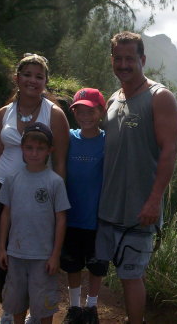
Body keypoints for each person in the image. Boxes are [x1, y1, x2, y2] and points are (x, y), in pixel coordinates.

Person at [95, 31, 177, 324]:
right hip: (108, 208)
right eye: (118, 58)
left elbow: (170, 151)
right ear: (112, 60)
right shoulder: (112, 99)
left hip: (139, 210)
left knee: (131, 277)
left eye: (129, 58)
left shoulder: (160, 97)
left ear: (142, 60)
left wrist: (154, 201)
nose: (123, 64)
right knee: (100, 269)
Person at [0, 53, 70, 324]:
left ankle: (35, 309)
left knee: (39, 249)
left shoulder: (55, 114)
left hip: (40, 195)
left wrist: (57, 201)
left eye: (38, 76)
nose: (32, 80)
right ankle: (9, 308)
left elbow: (60, 162)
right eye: (27, 74)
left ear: (45, 82)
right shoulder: (3, 114)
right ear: (17, 78)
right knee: (3, 249)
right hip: (2, 187)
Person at [0, 122, 70, 324]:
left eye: (40, 148)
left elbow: (61, 218)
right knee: (16, 301)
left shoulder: (55, 182)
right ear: (22, 148)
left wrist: (55, 255)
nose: (34, 153)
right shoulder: (12, 179)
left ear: (49, 151)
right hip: (15, 254)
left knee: (44, 303)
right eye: (29, 147)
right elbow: (6, 214)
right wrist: (2, 248)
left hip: (43, 256)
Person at [60, 88, 108, 324]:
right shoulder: (68, 136)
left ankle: (91, 307)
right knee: (72, 264)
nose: (85, 115)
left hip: (97, 217)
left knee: (97, 265)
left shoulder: (108, 141)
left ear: (100, 111)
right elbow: (36, 135)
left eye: (90, 110)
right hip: (71, 215)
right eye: (79, 110)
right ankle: (74, 307)